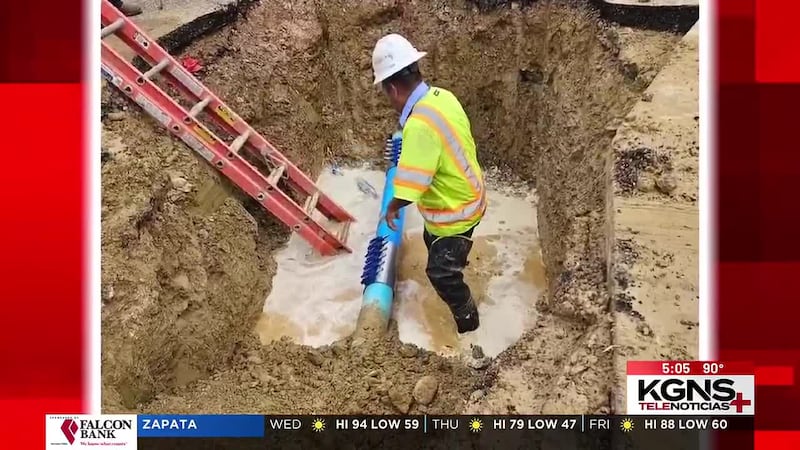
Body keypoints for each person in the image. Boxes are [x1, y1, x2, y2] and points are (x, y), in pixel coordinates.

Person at [373, 34, 487, 334]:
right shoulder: (442, 97)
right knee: (434, 244)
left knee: (440, 273)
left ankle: (468, 321)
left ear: (393, 88)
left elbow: (412, 185)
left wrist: (393, 207)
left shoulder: (419, 125)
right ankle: (456, 261)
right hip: (466, 193)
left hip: (457, 212)